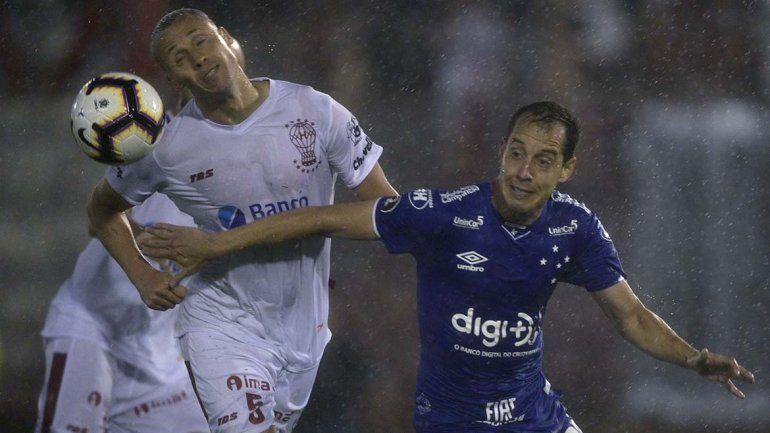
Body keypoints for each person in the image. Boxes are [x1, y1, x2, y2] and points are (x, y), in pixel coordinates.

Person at [140, 101, 755, 432]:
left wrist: (695, 359)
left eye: (543, 161)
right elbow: (324, 217)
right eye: (517, 153)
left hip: (533, 415)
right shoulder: (442, 215)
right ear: (501, 150)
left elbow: (631, 317)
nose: (523, 170)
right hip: (453, 421)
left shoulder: (576, 227)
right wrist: (220, 245)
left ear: (566, 170)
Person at [87, 8, 397, 433]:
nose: (196, 57)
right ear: (175, 81)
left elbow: (388, 214)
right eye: (179, 58)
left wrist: (223, 243)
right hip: (221, 323)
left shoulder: (315, 109)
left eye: (200, 40)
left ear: (225, 38)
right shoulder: (166, 148)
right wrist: (141, 275)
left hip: (303, 329)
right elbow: (102, 210)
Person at [36, 193, 208, 433]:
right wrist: (139, 240)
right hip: (93, 324)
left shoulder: (253, 177)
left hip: (162, 340)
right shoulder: (164, 160)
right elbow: (99, 214)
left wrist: (214, 246)